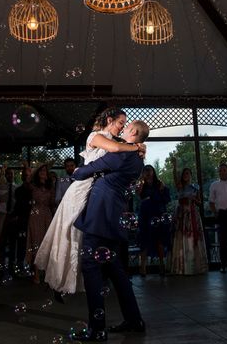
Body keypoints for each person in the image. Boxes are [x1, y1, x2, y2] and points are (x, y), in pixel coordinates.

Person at [35, 107, 146, 294]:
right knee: (70, 232)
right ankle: (59, 281)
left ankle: (76, 280)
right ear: (109, 120)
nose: (122, 127)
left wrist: (139, 147)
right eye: (120, 123)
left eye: (125, 125)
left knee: (83, 239)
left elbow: (122, 152)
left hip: (96, 191)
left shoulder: (118, 141)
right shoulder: (96, 136)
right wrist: (137, 146)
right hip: (82, 188)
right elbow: (117, 149)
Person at [70, 120, 150, 342]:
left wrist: (77, 170)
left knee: (91, 267)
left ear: (133, 132)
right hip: (114, 218)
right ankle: (134, 320)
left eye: (126, 127)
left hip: (100, 218)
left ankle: (97, 330)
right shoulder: (137, 159)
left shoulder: (122, 154)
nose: (122, 129)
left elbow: (85, 172)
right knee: (116, 271)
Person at [169, 158, 208, 275]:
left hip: (192, 213)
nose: (186, 175)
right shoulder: (180, 186)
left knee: (193, 237)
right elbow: (175, 177)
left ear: (191, 175)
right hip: (182, 214)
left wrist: (194, 199)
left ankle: (194, 266)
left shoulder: (196, 187)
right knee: (181, 237)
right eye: (184, 173)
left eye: (188, 173)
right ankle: (181, 266)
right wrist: (175, 166)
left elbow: (200, 202)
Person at [136, 165, 171, 276]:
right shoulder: (142, 185)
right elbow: (139, 196)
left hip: (157, 213)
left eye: (149, 170)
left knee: (159, 240)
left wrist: (160, 192)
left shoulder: (159, 184)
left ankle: (162, 265)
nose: (147, 173)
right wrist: (140, 186)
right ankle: (143, 268)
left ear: (153, 172)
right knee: (144, 240)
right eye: (145, 171)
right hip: (145, 215)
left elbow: (166, 199)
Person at [26, 164, 56, 283]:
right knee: (36, 242)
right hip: (35, 214)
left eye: (45, 171)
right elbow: (27, 182)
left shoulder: (51, 187)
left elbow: (52, 203)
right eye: (41, 171)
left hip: (47, 214)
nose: (43, 172)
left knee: (47, 243)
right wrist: (33, 170)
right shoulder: (33, 186)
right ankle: (37, 273)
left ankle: (47, 273)